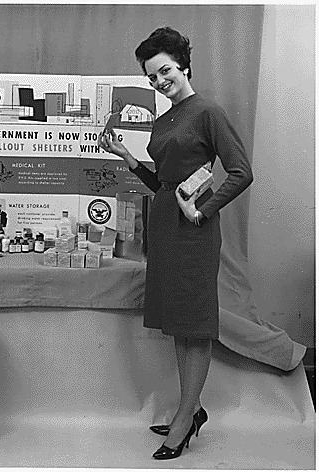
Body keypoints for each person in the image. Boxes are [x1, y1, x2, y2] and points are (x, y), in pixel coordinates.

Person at [99, 26, 253, 460]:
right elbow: (164, 182)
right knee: (179, 322)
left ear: (184, 65)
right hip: (166, 223)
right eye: (151, 76)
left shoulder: (207, 111)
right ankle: (192, 408)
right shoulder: (164, 117)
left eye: (164, 71)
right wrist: (128, 159)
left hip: (194, 227)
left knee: (195, 321)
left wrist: (203, 210)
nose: (159, 81)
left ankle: (184, 419)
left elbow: (241, 171)